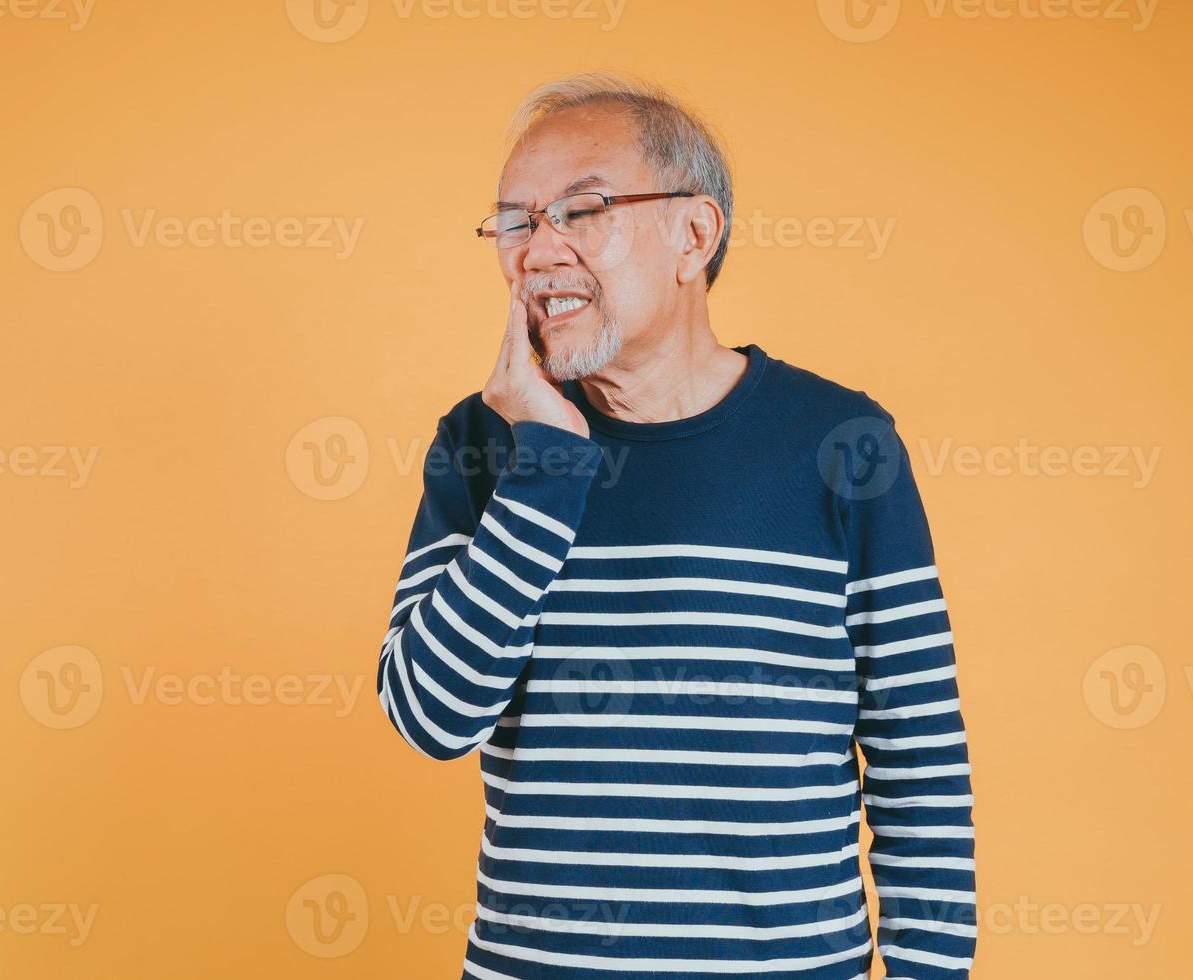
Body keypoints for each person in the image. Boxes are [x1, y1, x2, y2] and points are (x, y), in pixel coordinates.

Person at [376, 71, 977, 980]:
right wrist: (544, 467)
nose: (536, 254)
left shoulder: (843, 443)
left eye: (580, 211)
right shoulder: (483, 442)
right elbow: (431, 718)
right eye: (514, 221)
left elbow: (918, 762)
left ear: (694, 234)